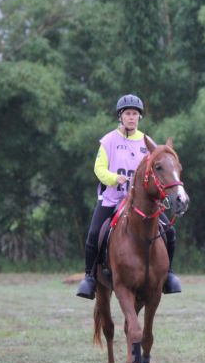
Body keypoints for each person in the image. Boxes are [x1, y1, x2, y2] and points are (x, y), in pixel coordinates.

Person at [76, 94, 182, 299]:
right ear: (120, 117)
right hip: (112, 198)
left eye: (135, 114)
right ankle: (90, 277)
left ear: (139, 117)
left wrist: (160, 193)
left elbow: (156, 173)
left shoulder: (147, 142)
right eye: (127, 114)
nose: (131, 117)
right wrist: (115, 178)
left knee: (170, 232)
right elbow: (98, 169)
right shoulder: (108, 141)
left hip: (141, 202)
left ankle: (168, 274)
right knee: (94, 234)